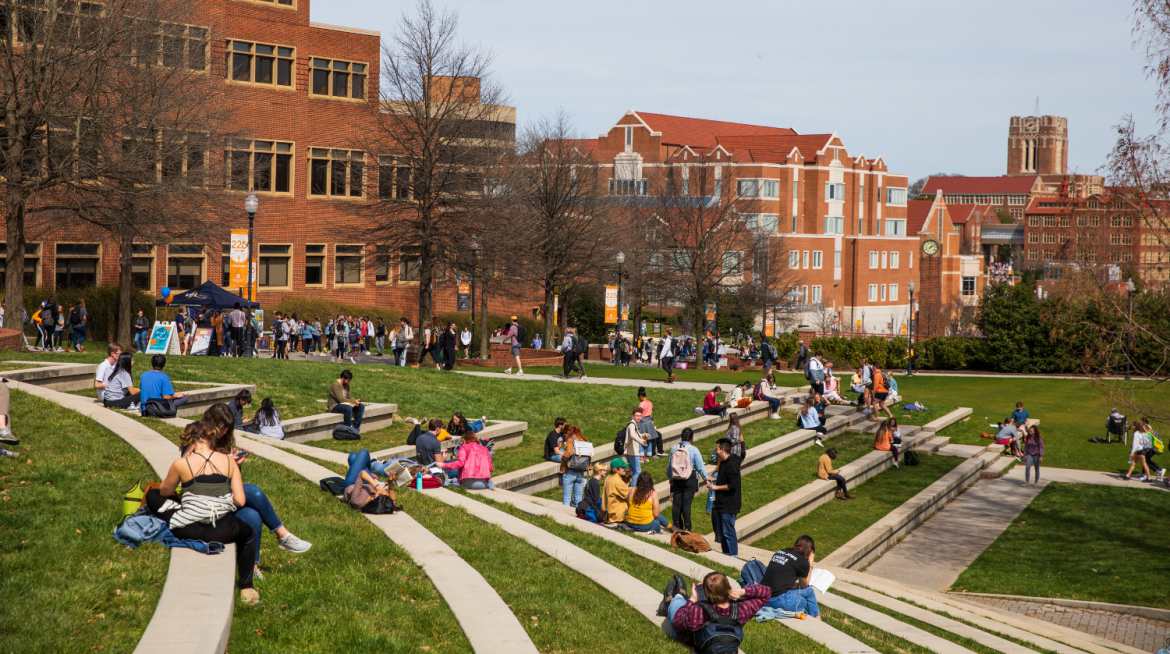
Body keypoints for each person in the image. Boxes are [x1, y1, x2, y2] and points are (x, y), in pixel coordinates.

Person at [144, 418, 259, 604]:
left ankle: (185, 509)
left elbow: (165, 491)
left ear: (189, 440)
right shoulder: (229, 462)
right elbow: (240, 500)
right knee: (249, 535)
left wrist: (184, 459)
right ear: (212, 438)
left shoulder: (181, 463)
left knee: (152, 494)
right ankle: (247, 588)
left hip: (187, 529)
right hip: (222, 530)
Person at [666, 572, 770, 646]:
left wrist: (692, 600)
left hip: (698, 644)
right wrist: (742, 591)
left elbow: (676, 623)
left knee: (678, 604)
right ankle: (677, 596)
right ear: (728, 588)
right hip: (729, 643)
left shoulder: (697, 610)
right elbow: (767, 592)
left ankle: (677, 597)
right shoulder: (741, 609)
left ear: (705, 592)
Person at [760, 535, 822, 619]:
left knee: (808, 592)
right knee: (805, 601)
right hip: (778, 601)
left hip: (762, 597)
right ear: (811, 551)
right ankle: (817, 619)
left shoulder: (780, 552)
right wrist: (810, 562)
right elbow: (804, 585)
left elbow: (781, 581)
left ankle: (817, 618)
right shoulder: (803, 562)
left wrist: (796, 585)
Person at [668, 427, 708, 532]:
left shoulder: (674, 448)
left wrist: (670, 477)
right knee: (686, 504)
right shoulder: (694, 450)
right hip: (690, 478)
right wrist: (706, 478)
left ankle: (676, 527)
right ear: (692, 437)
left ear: (681, 436)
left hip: (676, 477)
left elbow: (669, 466)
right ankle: (687, 528)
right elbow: (700, 467)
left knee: (676, 503)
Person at [709, 438, 742, 556]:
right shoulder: (723, 463)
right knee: (722, 533)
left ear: (722, 450)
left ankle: (733, 556)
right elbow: (725, 479)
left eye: (717, 449)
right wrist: (714, 480)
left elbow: (732, 485)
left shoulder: (732, 464)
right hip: (720, 504)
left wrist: (716, 487)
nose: (715, 451)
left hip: (729, 505)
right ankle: (726, 555)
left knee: (728, 532)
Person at [342, 448, 399, 514]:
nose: (384, 493)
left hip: (352, 483)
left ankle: (370, 465)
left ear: (375, 499)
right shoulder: (384, 505)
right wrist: (390, 483)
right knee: (354, 457)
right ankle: (364, 466)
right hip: (368, 483)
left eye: (382, 495)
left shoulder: (357, 501)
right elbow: (393, 501)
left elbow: (362, 473)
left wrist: (377, 487)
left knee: (362, 453)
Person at [559, 424, 589, 506]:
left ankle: (565, 514)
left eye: (565, 434)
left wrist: (563, 460)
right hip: (580, 471)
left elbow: (569, 453)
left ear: (567, 433)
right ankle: (579, 513)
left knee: (567, 499)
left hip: (570, 471)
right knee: (578, 500)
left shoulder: (570, 440)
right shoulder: (583, 440)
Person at [603, 458, 631, 524]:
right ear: (615, 469)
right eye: (622, 467)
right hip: (618, 516)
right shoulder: (618, 481)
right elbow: (629, 495)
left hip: (609, 514)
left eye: (625, 467)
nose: (625, 469)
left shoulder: (608, 477)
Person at [623, 408, 646, 480]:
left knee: (632, 472)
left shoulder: (634, 424)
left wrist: (645, 435)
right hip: (633, 453)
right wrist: (641, 441)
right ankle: (634, 487)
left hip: (630, 452)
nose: (638, 417)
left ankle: (629, 486)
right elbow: (632, 435)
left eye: (640, 416)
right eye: (636, 415)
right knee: (637, 472)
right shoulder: (632, 425)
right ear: (633, 416)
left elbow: (637, 435)